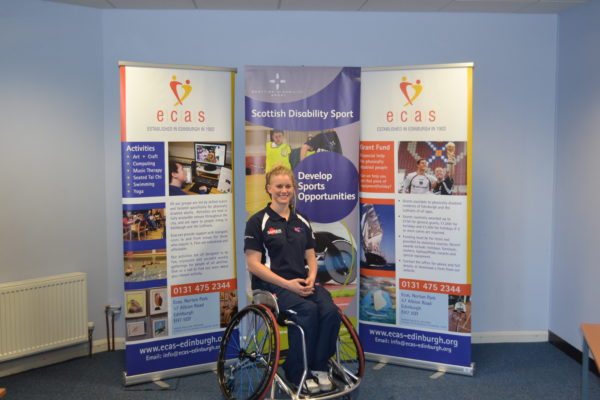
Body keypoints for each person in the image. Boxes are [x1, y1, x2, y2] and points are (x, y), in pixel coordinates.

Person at [244, 165, 340, 394]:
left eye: (288, 186)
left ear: (294, 189)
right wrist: (288, 285)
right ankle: (297, 371)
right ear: (269, 188)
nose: (284, 190)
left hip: (303, 282)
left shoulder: (302, 220)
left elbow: (311, 258)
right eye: (279, 186)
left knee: (330, 312)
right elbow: (253, 264)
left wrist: (311, 278)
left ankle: (318, 366)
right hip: (272, 286)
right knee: (306, 311)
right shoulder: (258, 222)